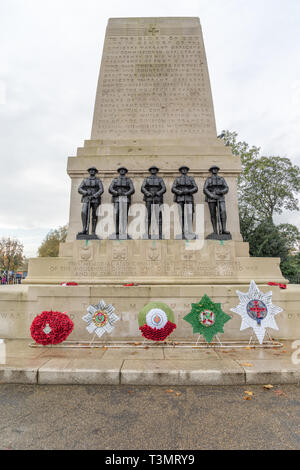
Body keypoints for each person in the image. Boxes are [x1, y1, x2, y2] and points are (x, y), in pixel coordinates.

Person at [203, 166, 231, 238]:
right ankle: (215, 231)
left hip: (220, 197)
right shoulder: (208, 180)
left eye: (216, 169)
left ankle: (223, 229)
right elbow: (205, 189)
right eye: (213, 169)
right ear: (211, 171)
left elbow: (226, 188)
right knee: (213, 214)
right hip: (211, 198)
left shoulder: (221, 179)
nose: (214, 170)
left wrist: (221, 191)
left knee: (223, 211)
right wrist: (211, 195)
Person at [172, 166, 198, 239]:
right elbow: (173, 188)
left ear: (187, 171)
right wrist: (179, 192)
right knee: (181, 215)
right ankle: (183, 231)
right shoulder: (177, 179)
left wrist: (189, 191)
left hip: (188, 197)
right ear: (180, 171)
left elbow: (196, 188)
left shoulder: (191, 179)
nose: (184, 170)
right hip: (180, 198)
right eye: (182, 169)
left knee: (189, 214)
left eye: (185, 169)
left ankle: (190, 230)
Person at [77, 166, 104, 239]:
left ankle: (93, 231)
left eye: (93, 170)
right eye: (91, 170)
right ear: (89, 172)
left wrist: (94, 195)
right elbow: (79, 189)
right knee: (84, 212)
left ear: (95, 172)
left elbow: (101, 190)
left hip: (95, 199)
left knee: (94, 215)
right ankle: (84, 229)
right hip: (86, 198)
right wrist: (85, 192)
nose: (92, 171)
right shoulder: (85, 180)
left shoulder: (98, 180)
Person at [109, 167, 135, 239]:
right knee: (116, 214)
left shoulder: (128, 180)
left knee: (124, 215)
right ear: (119, 171)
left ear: (125, 172)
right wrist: (116, 192)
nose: (122, 171)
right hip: (117, 198)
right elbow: (110, 189)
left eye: (124, 170)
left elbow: (132, 189)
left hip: (125, 198)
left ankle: (123, 231)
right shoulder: (115, 180)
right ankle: (117, 230)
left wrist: (126, 193)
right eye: (121, 170)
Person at [141, 166, 166, 239]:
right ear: (150, 171)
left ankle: (160, 233)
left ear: (156, 171)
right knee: (148, 215)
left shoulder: (160, 179)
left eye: (155, 169)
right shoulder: (147, 179)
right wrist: (147, 193)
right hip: (149, 198)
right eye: (152, 169)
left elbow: (164, 188)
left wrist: (158, 193)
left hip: (158, 198)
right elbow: (143, 188)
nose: (153, 171)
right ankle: (146, 232)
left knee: (159, 215)